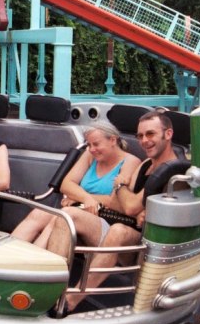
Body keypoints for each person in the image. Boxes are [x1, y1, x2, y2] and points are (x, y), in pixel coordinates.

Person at [68, 108, 181, 309]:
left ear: (168, 134)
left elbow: (128, 205)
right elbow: (123, 205)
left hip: (143, 244)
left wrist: (120, 186)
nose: (144, 140)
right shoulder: (146, 165)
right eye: (140, 136)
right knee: (66, 216)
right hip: (122, 226)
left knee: (117, 231)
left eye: (150, 134)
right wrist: (127, 198)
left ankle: (71, 301)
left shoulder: (174, 170)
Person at [10, 121, 140, 249]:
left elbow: (115, 202)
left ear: (112, 140)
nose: (92, 149)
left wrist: (78, 198)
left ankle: (34, 261)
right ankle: (5, 256)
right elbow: (66, 184)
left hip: (109, 221)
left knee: (66, 215)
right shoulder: (90, 155)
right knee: (39, 213)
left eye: (96, 144)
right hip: (81, 209)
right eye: (88, 145)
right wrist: (85, 199)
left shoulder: (131, 162)